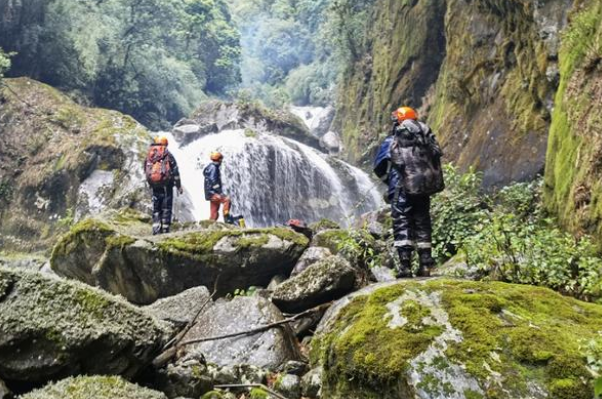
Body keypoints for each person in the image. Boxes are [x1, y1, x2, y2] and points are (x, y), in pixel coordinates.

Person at [373, 106, 444, 278]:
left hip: (401, 189)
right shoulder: (426, 140)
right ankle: (426, 265)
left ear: (398, 121)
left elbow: (378, 166)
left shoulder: (393, 140)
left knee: (402, 223)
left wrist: (388, 180)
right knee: (422, 223)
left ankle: (405, 267)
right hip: (422, 189)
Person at [144, 136, 183, 235]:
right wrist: (178, 185)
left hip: (154, 185)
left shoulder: (150, 154)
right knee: (166, 207)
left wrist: (150, 182)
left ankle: (156, 229)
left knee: (156, 207)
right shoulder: (167, 154)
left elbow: (146, 169)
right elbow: (175, 170)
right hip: (166, 185)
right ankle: (165, 230)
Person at [204, 151, 232, 222]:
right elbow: (213, 181)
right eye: (221, 159)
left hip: (209, 193)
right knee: (227, 200)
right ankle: (226, 217)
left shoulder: (209, 167)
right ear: (219, 159)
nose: (221, 161)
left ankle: (211, 225)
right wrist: (219, 192)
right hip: (214, 193)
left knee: (214, 212)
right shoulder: (214, 168)